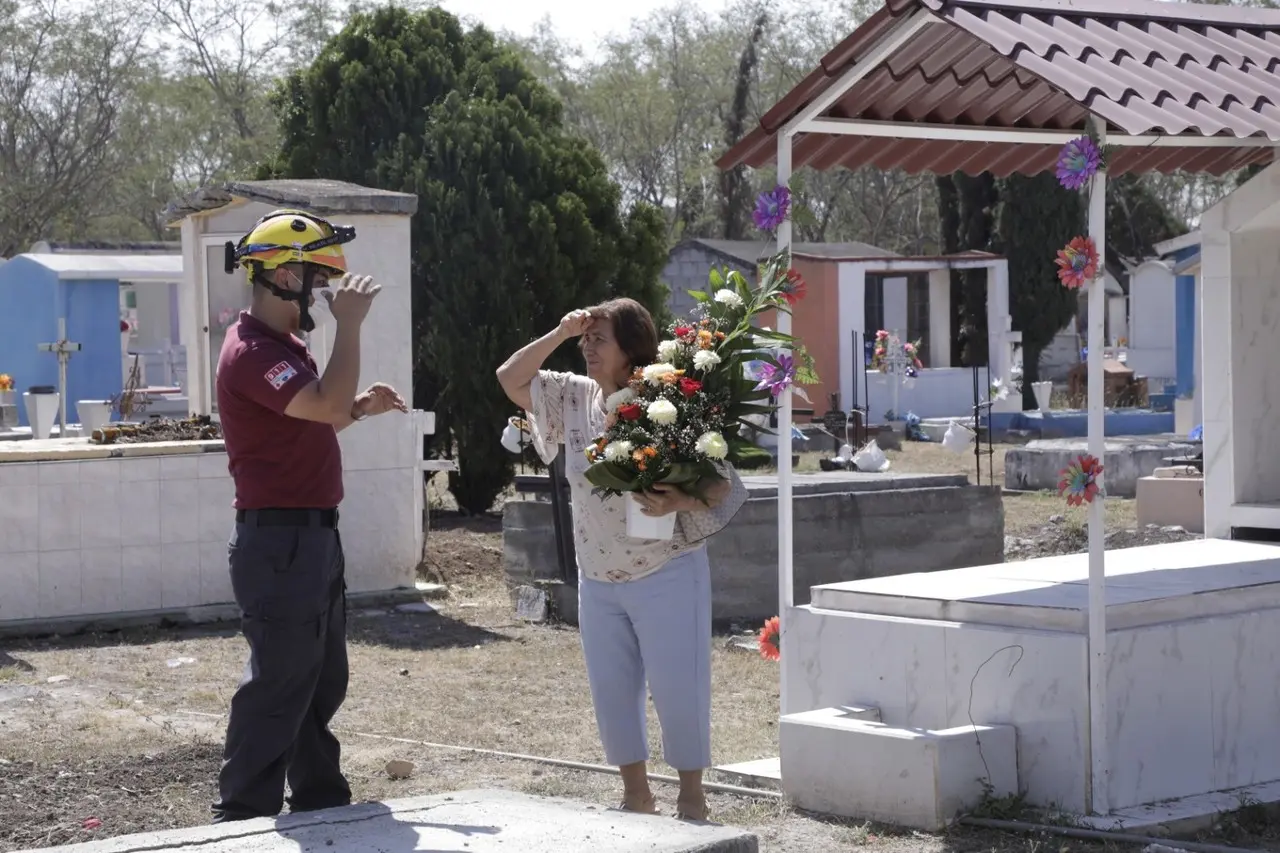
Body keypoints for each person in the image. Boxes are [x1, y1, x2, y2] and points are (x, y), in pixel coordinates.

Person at [496, 299, 747, 821]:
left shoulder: (670, 398)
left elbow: (722, 483)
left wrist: (677, 500)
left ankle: (691, 798)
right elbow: (509, 376)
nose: (587, 347)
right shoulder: (572, 396)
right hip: (596, 574)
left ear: (631, 350)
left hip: (667, 569)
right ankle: (636, 794)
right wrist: (560, 331)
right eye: (585, 339)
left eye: (598, 339)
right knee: (611, 689)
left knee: (679, 686)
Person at [210, 209, 408, 823]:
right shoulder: (250, 351)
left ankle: (320, 797)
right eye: (313, 274)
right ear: (280, 277)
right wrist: (349, 330)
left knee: (318, 679)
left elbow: (321, 414)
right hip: (281, 541)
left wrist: (360, 409)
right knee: (280, 682)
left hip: (310, 536)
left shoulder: (283, 348)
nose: (323, 288)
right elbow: (322, 405)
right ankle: (242, 812)